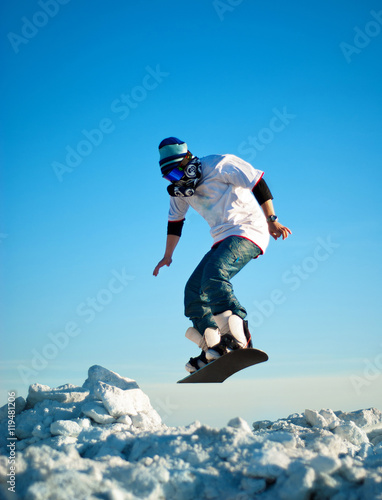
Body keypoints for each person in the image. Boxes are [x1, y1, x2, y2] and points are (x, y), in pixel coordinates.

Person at [153, 137, 291, 373]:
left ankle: (238, 335)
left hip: (249, 230)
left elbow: (258, 181)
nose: (178, 181)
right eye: (170, 178)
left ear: (188, 161)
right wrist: (168, 255)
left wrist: (271, 220)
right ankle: (214, 346)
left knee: (214, 273)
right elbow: (175, 223)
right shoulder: (179, 192)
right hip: (223, 240)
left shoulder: (218, 164)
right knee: (194, 291)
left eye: (178, 174)